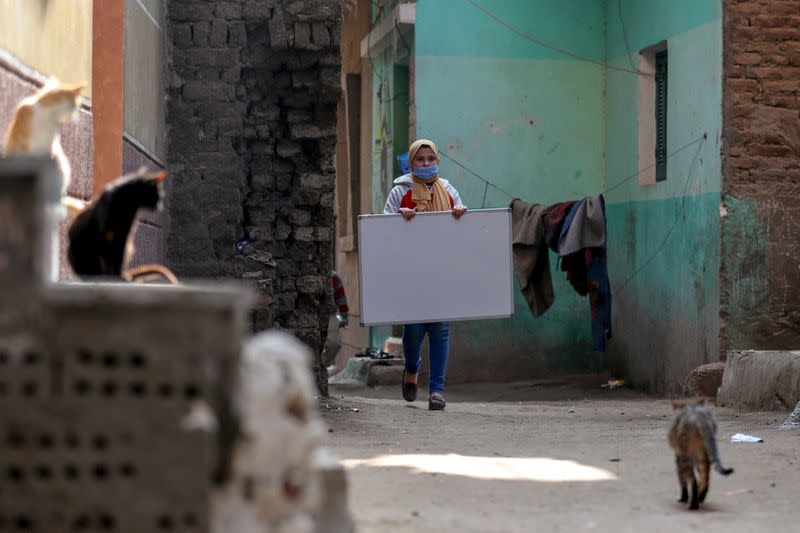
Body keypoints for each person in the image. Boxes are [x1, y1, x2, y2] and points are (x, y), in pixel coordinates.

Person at [383, 139, 468, 410]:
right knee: (414, 330)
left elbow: (463, 227)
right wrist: (399, 217)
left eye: (431, 159)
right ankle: (411, 369)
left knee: (440, 328)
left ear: (438, 161)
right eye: (420, 160)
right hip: (411, 272)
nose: (427, 164)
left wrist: (460, 213)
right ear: (411, 163)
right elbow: (383, 228)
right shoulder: (400, 192)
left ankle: (437, 391)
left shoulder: (449, 190)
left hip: (442, 271)